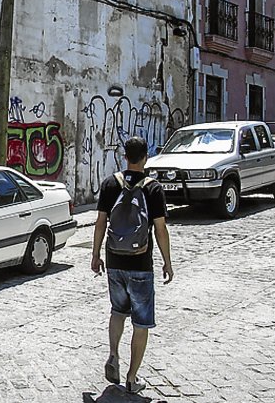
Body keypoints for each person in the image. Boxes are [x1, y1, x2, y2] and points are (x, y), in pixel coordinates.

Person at [91, 136, 173, 394]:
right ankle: (132, 377)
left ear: (124, 156)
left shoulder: (109, 183)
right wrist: (167, 262)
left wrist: (95, 255)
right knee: (141, 322)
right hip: (140, 263)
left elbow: (101, 222)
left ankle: (113, 355)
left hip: (114, 259)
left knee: (118, 311)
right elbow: (160, 228)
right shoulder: (153, 188)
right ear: (145, 157)